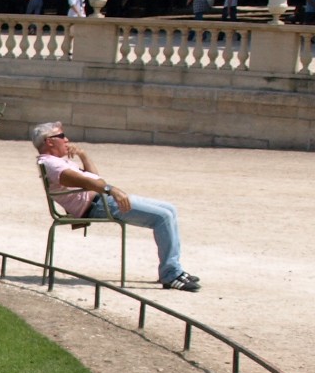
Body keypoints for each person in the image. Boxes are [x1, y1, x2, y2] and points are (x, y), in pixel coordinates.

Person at [32, 121, 198, 291]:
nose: (66, 139)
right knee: (163, 217)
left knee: (169, 209)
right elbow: (87, 181)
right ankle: (171, 275)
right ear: (49, 141)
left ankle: (173, 268)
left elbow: (94, 177)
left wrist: (83, 155)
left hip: (102, 200)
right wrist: (112, 190)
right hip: (98, 205)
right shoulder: (52, 163)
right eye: (61, 136)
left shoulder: (58, 161)